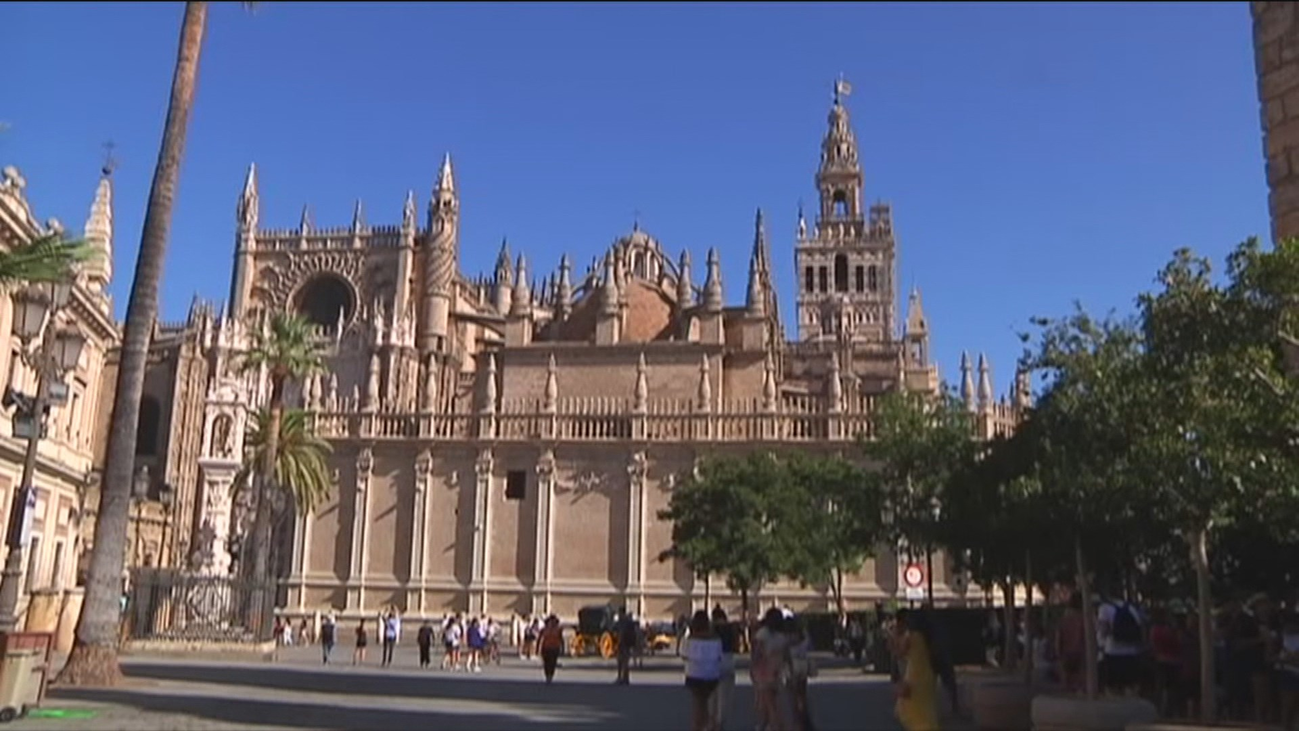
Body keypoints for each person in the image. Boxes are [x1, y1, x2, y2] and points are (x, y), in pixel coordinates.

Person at [894, 609, 939, 731]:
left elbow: (899, 653)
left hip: (914, 675)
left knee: (910, 709)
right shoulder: (928, 636)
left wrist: (895, 635)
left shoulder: (911, 637)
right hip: (928, 675)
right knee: (927, 709)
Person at [750, 607, 790, 731]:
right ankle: (763, 726)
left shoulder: (762, 634)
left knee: (769, 703)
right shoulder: (782, 637)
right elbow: (786, 655)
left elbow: (757, 653)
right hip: (777, 670)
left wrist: (753, 667)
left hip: (764, 670)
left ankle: (776, 726)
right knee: (771, 701)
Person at [1097, 593, 1145, 696]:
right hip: (1132, 652)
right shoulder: (1131, 608)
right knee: (1131, 687)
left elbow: (1102, 630)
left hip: (1113, 652)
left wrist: (1100, 643)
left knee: (1113, 689)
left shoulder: (1104, 608)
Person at [683, 610, 723, 731]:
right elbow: (719, 656)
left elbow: (684, 655)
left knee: (698, 702)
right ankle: (708, 724)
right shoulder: (716, 638)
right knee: (707, 701)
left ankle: (698, 726)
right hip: (711, 674)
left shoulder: (690, 639)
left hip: (694, 673)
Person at [710, 607, 737, 731]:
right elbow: (736, 646)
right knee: (724, 697)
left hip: (712, 663)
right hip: (727, 661)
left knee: (711, 697)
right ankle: (720, 723)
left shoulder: (710, 629)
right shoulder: (731, 628)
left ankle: (712, 722)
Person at [787, 617, 816, 731]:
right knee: (802, 695)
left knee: (793, 697)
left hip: (792, 666)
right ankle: (805, 721)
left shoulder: (787, 638)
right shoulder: (803, 636)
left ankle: (797, 722)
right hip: (803, 666)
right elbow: (810, 647)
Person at [1055, 592, 1086, 692]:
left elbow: (1059, 635)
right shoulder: (1083, 617)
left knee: (1066, 679)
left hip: (1066, 651)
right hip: (1080, 650)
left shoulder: (1064, 617)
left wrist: (1058, 650)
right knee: (1079, 679)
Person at [1276, 611, 1299, 731]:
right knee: (1287, 704)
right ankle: (1285, 726)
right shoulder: (1281, 638)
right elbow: (1275, 656)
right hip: (1287, 673)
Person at [538, 614, 564, 684]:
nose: (552, 623)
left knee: (553, 663)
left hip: (555, 648)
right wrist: (538, 648)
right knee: (546, 663)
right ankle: (547, 675)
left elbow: (561, 639)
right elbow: (539, 639)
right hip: (546, 648)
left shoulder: (558, 629)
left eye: (554, 621)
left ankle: (550, 675)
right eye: (551, 621)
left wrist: (562, 648)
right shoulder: (544, 629)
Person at [615, 610, 638, 685]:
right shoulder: (629, 623)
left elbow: (620, 633)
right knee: (625, 662)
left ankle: (620, 677)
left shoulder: (622, 623)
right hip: (627, 644)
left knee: (621, 662)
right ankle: (625, 678)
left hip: (623, 644)